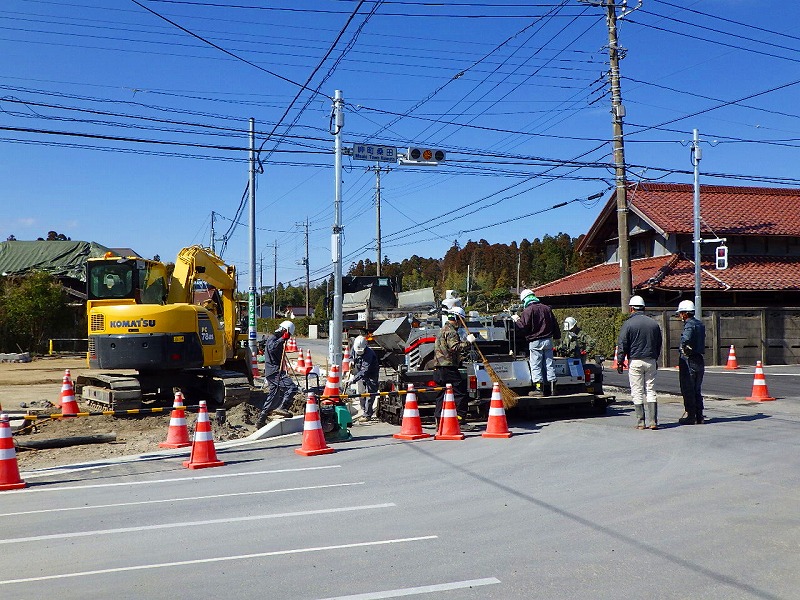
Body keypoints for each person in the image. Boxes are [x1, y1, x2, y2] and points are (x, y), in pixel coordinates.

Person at [617, 295, 662, 430]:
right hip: (651, 360)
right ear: (643, 308)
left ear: (631, 308)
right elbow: (658, 343)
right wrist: (655, 357)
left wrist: (620, 361)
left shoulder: (628, 324)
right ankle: (653, 421)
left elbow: (622, 343)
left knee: (637, 391)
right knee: (651, 389)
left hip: (635, 361)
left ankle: (641, 422)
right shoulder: (653, 324)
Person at [433, 306, 476, 431]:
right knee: (460, 393)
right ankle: (460, 420)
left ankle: (439, 421)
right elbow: (455, 347)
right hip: (448, 368)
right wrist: (469, 342)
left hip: (438, 368)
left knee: (441, 394)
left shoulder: (442, 330)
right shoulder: (451, 331)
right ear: (457, 318)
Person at [512, 289, 561, 396]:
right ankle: (553, 388)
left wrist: (516, 319)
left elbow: (522, 326)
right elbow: (555, 324)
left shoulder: (528, 310)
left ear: (525, 299)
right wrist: (557, 337)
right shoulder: (547, 308)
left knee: (536, 365)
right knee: (549, 364)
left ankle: (539, 389)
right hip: (548, 341)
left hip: (535, 342)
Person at [255, 320, 298, 428]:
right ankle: (282, 408)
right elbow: (272, 348)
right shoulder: (273, 339)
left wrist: (283, 339)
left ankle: (261, 420)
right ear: (285, 330)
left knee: (273, 396)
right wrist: (283, 338)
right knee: (292, 388)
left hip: (272, 371)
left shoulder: (276, 339)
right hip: (275, 372)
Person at [676, 300, 706, 425]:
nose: (680, 316)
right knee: (697, 390)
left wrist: (683, 347)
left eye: (680, 313)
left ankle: (691, 416)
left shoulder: (689, 325)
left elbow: (686, 339)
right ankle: (699, 416)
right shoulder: (700, 324)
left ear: (685, 314)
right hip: (699, 359)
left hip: (689, 360)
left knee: (688, 388)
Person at [349, 335, 381, 422]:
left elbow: (365, 370)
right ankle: (364, 410)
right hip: (360, 373)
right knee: (361, 393)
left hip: (371, 374)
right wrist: (351, 361)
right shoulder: (355, 347)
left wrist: (353, 379)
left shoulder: (369, 354)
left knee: (370, 394)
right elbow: (351, 356)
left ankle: (367, 415)